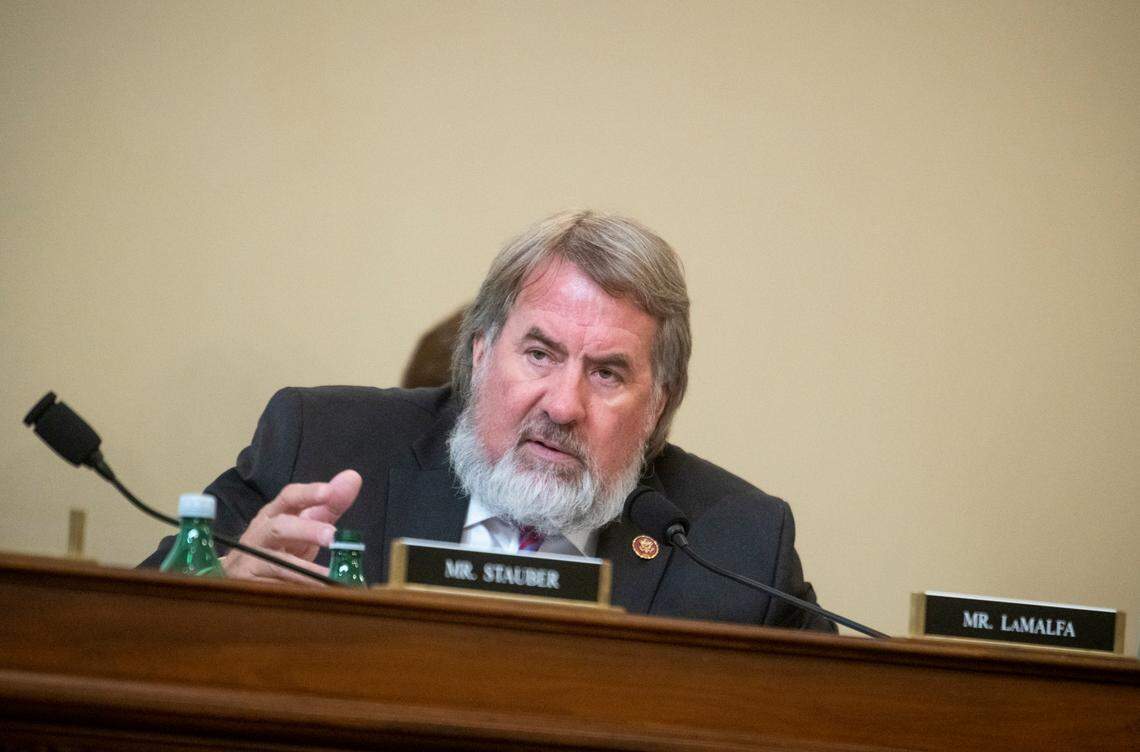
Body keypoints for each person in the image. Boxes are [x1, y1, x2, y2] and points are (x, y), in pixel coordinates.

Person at [142, 210, 835, 631]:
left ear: (659, 404)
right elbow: (123, 632)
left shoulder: (739, 545)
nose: (563, 406)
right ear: (479, 354)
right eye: (539, 353)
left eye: (608, 373)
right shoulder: (319, 444)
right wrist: (216, 591)